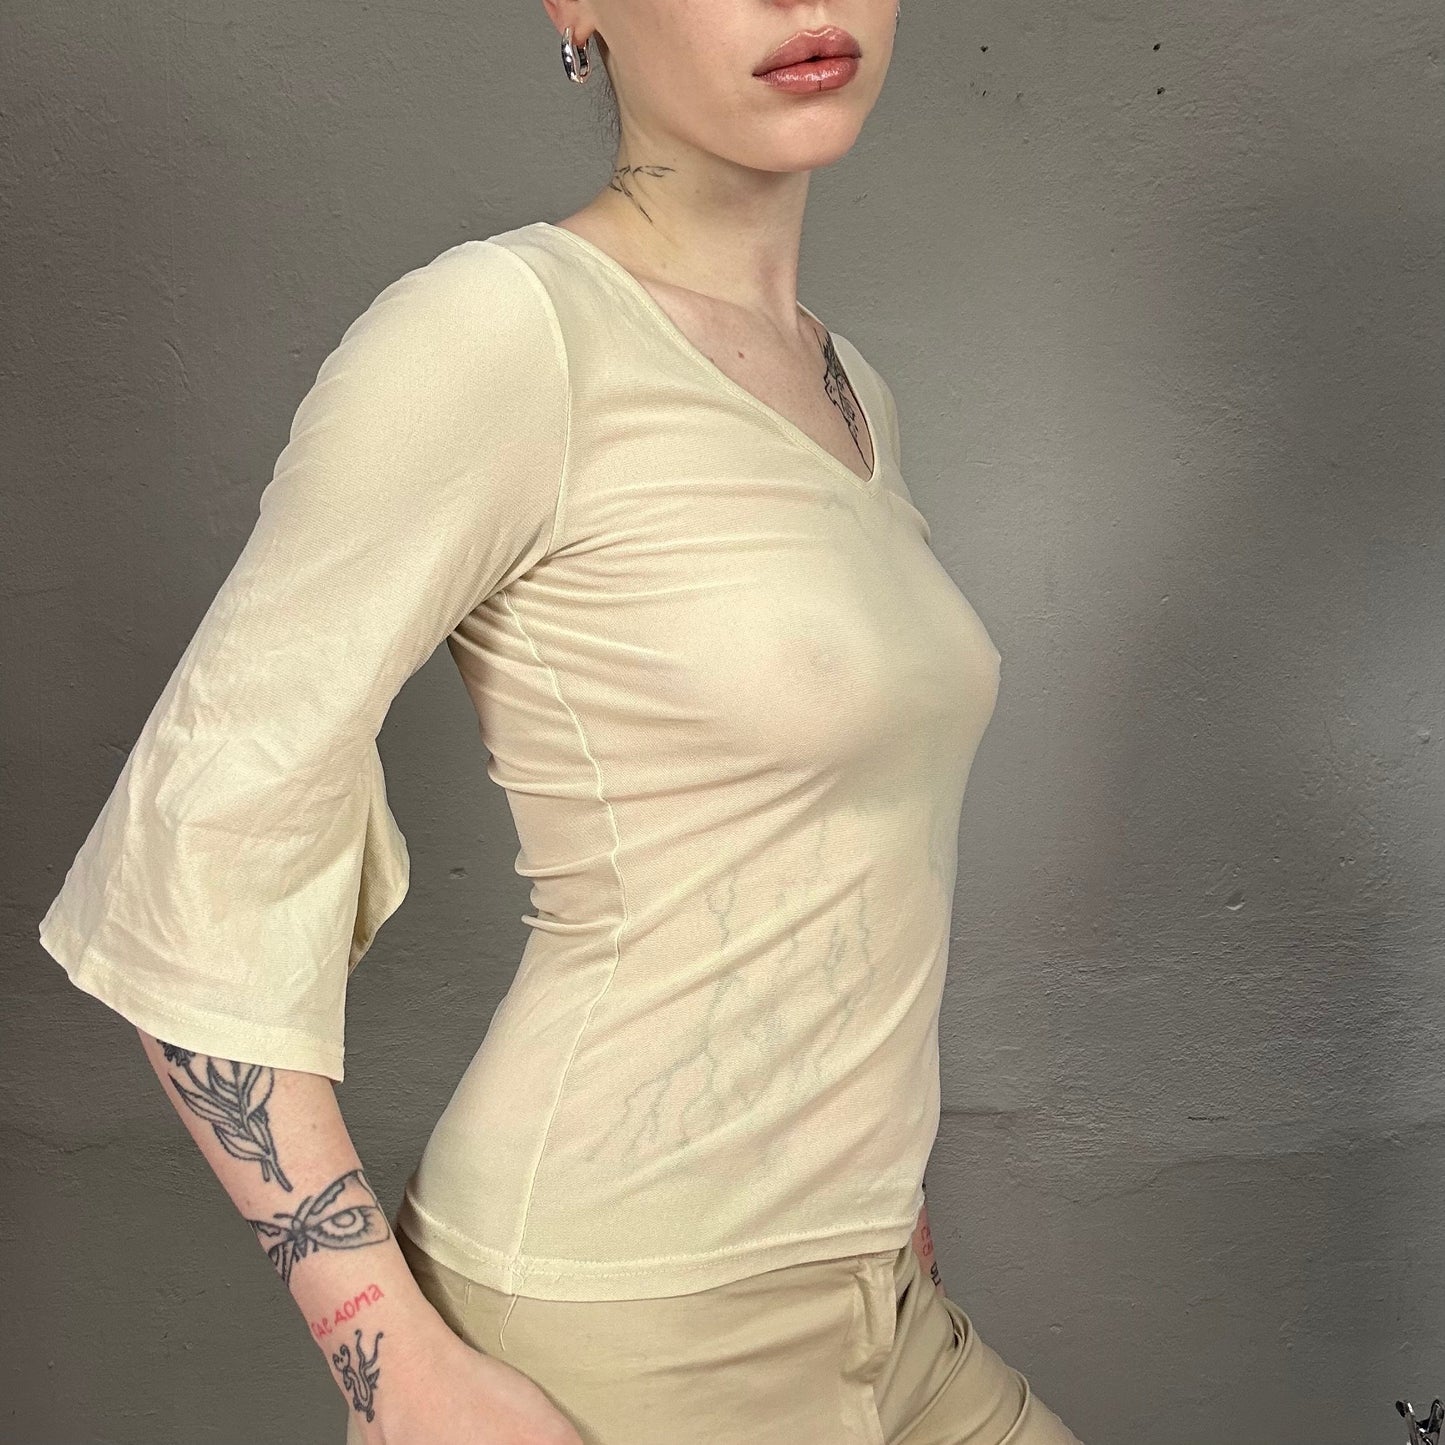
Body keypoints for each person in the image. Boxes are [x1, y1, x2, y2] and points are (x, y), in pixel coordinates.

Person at [37, 2, 1086, 1442]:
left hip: (872, 1301)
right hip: (621, 1329)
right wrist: (389, 1360)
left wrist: (877, 1214)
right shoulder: (500, 332)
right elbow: (195, 835)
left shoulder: (848, 384)